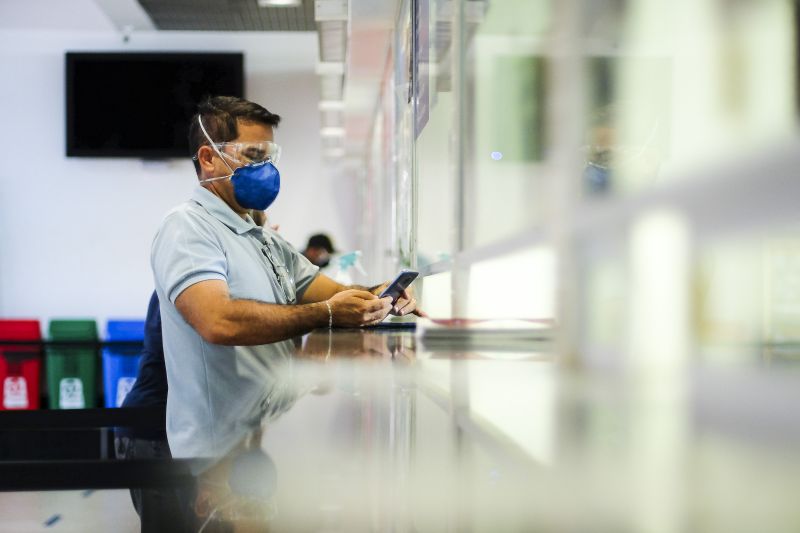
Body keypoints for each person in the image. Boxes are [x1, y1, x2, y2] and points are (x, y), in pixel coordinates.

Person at [150, 96, 422, 461]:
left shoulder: (263, 236)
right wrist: (326, 314)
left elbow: (334, 293)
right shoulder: (188, 228)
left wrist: (381, 295)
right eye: (252, 156)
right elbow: (218, 322)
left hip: (262, 437)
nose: (266, 169)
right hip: (216, 455)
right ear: (208, 157)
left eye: (269, 157)